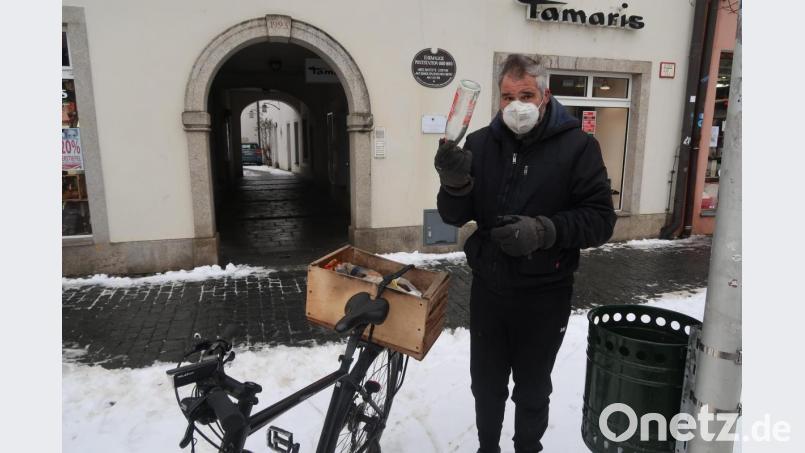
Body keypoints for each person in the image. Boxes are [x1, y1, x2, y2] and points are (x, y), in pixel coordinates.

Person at [434, 54, 616, 452]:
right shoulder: (480, 144)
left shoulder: (578, 147)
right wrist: (454, 184)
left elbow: (601, 220)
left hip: (545, 293)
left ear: (545, 96)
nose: (516, 104)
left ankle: (527, 448)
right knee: (486, 384)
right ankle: (488, 447)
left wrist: (543, 231)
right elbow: (454, 215)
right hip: (489, 288)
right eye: (507, 96)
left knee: (532, 389)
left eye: (526, 94)